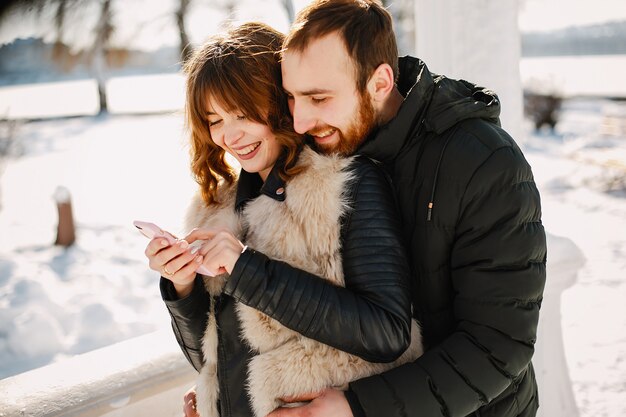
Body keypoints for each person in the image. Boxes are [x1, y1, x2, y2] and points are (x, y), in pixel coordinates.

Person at [174, 0, 546, 415]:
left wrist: (359, 409)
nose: (299, 121)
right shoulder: (314, 158)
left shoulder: (483, 163)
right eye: (292, 98)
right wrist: (224, 386)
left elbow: (497, 347)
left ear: (380, 83)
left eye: (318, 97)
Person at [143, 22, 422, 417]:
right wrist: (182, 286)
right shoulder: (214, 208)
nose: (230, 135)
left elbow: (387, 332)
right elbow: (209, 357)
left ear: (279, 101)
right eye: (215, 119)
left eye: (243, 113)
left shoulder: (346, 184)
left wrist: (246, 270)